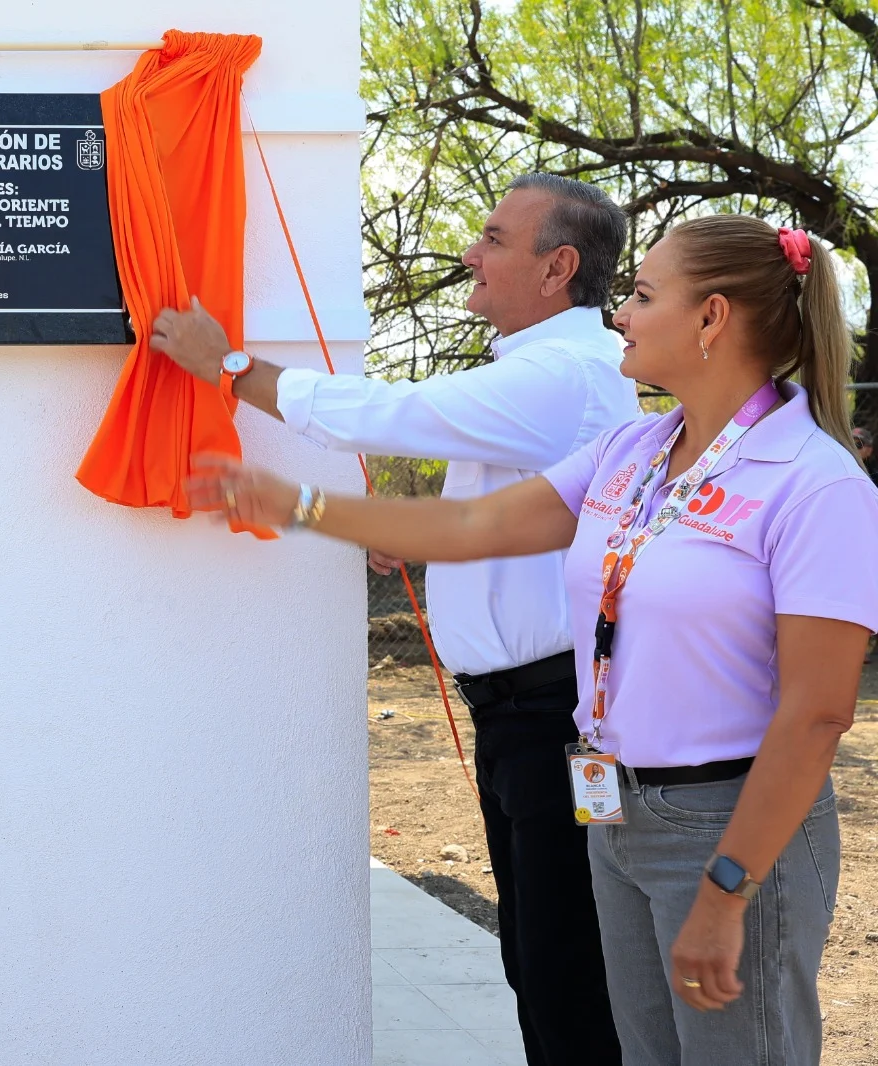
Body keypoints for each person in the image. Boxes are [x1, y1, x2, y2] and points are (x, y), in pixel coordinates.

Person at [194, 215, 875, 1064]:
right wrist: (299, 508)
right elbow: (475, 523)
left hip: (726, 821)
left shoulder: (817, 486)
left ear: (711, 320)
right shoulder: (634, 450)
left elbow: (816, 713)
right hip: (615, 807)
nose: (620, 314)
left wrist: (728, 886)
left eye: (641, 295)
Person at [152, 173, 636, 1064]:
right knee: (545, 966)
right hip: (521, 717)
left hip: (552, 718)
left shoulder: (564, 372)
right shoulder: (541, 374)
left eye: (494, 237)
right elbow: (493, 521)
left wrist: (230, 370)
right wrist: (404, 537)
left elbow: (402, 413)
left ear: (558, 267)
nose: (470, 254)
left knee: (569, 977)